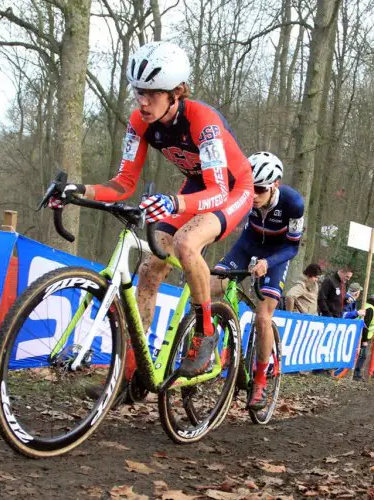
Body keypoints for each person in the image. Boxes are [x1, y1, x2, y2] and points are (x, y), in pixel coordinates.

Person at [51, 41, 254, 380]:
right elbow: (123, 183)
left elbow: (218, 190)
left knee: (188, 243)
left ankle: (206, 332)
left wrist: (176, 203)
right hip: (195, 185)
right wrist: (77, 189)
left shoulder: (203, 122)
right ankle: (135, 373)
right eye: (138, 92)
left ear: (176, 92)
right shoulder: (139, 121)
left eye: (152, 94)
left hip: (233, 189)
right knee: (150, 266)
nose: (142, 102)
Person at [212, 151, 305, 410]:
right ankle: (201, 344)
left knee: (263, 318)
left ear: (275, 184)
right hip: (246, 246)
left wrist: (268, 263)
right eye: (250, 187)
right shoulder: (245, 193)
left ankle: (261, 380)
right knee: (210, 285)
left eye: (260, 189)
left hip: (277, 256)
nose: (253, 194)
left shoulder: (293, 203)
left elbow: (293, 248)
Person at [353, 291, 374, 381]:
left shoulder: (368, 306)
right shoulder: (371, 309)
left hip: (361, 334)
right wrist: (365, 340)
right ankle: (356, 374)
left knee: (360, 355)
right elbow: (365, 325)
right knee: (362, 356)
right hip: (362, 336)